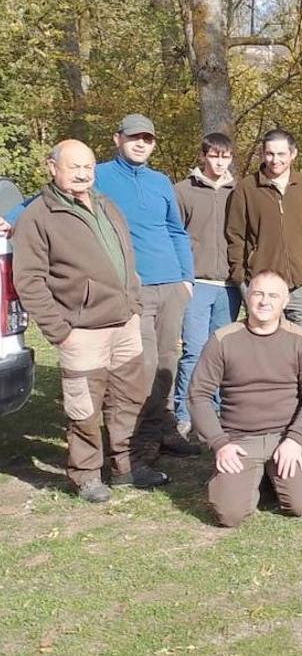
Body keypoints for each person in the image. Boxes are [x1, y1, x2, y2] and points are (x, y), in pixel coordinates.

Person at [14, 139, 170, 501]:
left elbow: (126, 255)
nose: (83, 174)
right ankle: (86, 474)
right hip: (80, 331)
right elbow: (29, 280)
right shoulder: (38, 216)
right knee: (84, 407)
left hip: (125, 323)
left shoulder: (105, 204)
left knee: (128, 400)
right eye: (74, 167)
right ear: (52, 168)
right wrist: (59, 331)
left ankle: (126, 468)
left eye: (88, 167)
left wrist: (133, 301)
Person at [94, 113, 196, 462]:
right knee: (145, 364)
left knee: (167, 361)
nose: (141, 143)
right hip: (133, 288)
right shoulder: (99, 176)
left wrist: (186, 278)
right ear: (117, 139)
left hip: (171, 284)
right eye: (134, 137)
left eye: (147, 139)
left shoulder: (160, 181)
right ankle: (140, 443)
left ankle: (163, 430)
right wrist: (13, 217)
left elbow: (176, 230)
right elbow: (51, 200)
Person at [188, 270, 302, 528]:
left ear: (285, 302)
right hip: (239, 439)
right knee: (230, 516)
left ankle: (268, 477)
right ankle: (244, 478)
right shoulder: (223, 340)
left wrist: (295, 439)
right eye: (258, 293)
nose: (265, 301)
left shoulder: (301, 340)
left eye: (274, 295)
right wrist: (220, 444)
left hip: (284, 437)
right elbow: (199, 394)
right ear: (248, 297)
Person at [225, 128, 302, 327]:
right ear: (262, 154)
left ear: (293, 154)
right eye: (269, 153)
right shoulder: (246, 189)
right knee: (265, 349)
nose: (274, 160)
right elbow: (235, 237)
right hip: (263, 287)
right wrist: (241, 278)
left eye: (281, 154)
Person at [172, 133, 243, 450]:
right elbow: (174, 234)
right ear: (203, 156)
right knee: (194, 350)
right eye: (214, 155)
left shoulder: (239, 192)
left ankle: (213, 410)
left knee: (222, 352)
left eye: (225, 156)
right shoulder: (183, 191)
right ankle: (185, 413)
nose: (219, 161)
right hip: (197, 283)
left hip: (230, 285)